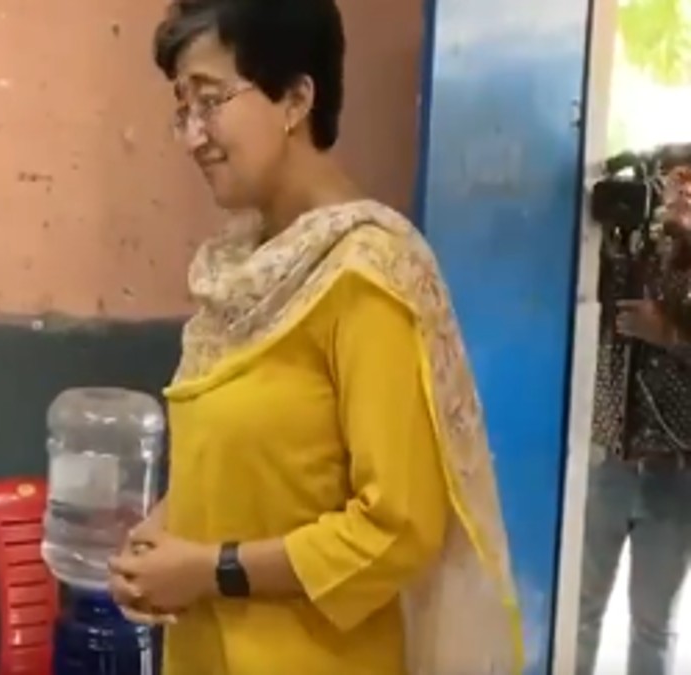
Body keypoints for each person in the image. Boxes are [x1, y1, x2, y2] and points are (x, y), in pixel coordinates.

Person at [104, 1, 524, 673]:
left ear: (297, 96)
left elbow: (398, 528)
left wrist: (213, 569)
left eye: (210, 101)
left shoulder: (363, 275)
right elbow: (262, 466)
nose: (193, 135)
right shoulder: (239, 273)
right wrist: (169, 526)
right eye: (182, 109)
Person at [577, 151, 691, 675]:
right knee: (578, 610)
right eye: (677, 178)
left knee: (651, 625)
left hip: (676, 472)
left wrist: (669, 333)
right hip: (608, 461)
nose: (685, 189)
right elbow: (586, 297)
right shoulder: (630, 242)